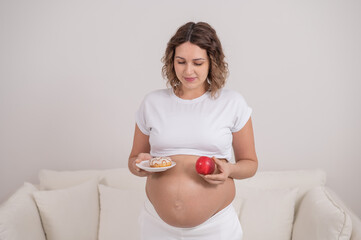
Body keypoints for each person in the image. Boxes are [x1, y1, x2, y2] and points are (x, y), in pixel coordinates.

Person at [128, 21, 258, 240]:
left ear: (212, 62)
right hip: (156, 225)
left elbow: (250, 164)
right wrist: (138, 165)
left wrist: (229, 171)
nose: (188, 71)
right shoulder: (152, 103)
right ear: (172, 61)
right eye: (181, 62)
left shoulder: (232, 103)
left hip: (215, 227)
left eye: (197, 62)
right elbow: (134, 160)